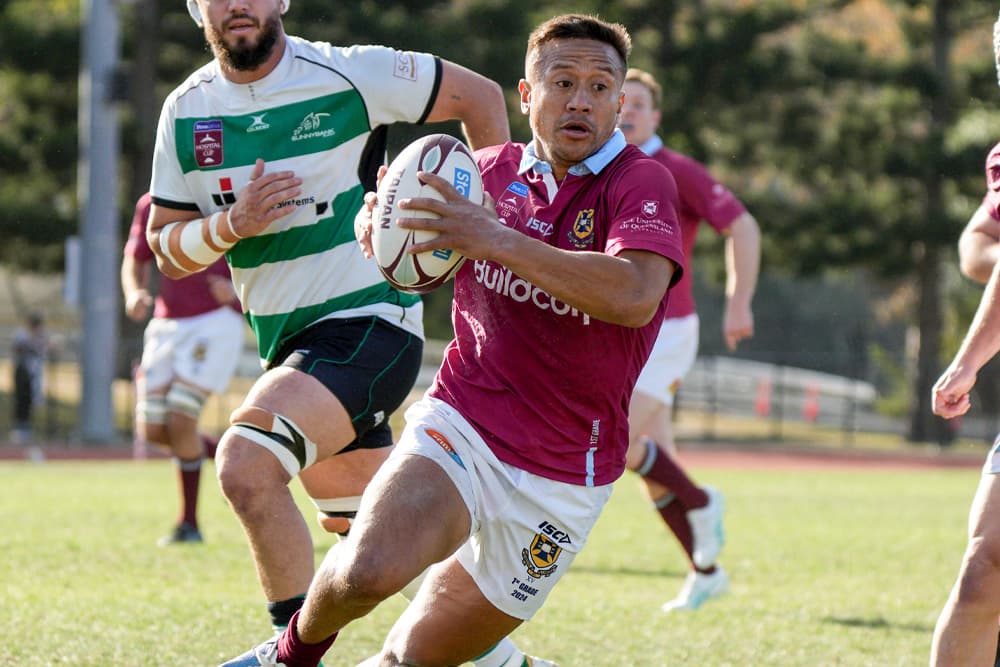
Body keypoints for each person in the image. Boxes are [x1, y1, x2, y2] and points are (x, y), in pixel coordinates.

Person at [221, 13, 685, 667]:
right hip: (462, 426)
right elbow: (413, 253)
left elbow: (634, 295)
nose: (581, 99)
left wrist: (492, 238)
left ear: (617, 102)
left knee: (412, 658)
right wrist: (379, 228)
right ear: (528, 97)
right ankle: (288, 656)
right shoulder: (478, 175)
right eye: (563, 82)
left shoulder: (640, 183)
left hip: (565, 473)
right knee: (368, 570)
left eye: (600, 86)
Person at [147, 0, 510, 653]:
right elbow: (166, 246)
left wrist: (495, 231)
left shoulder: (350, 75)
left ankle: (289, 655)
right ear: (195, 7)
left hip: (369, 322)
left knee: (246, 463)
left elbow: (478, 97)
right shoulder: (186, 109)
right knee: (376, 542)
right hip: (290, 351)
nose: (237, 5)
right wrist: (231, 225)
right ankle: (505, 659)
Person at [617, 67, 761, 611]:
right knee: (653, 464)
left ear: (656, 116)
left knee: (615, 441)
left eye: (639, 104)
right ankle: (705, 571)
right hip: (624, 330)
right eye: (619, 100)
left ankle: (703, 500)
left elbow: (742, 225)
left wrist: (739, 299)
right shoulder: (603, 166)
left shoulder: (674, 169)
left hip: (668, 330)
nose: (626, 110)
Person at [122, 191, 244, 545]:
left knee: (180, 422)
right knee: (153, 430)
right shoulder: (151, 202)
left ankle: (188, 525)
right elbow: (135, 258)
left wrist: (237, 292)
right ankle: (240, 462)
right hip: (166, 324)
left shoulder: (226, 193)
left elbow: (267, 256)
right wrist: (133, 292)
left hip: (215, 321)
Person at [11, 311, 51, 450]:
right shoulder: (22, 335)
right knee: (22, 400)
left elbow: (47, 349)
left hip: (34, 373)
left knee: (31, 401)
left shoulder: (41, 336)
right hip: (23, 371)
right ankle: (20, 429)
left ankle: (27, 429)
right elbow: (18, 348)